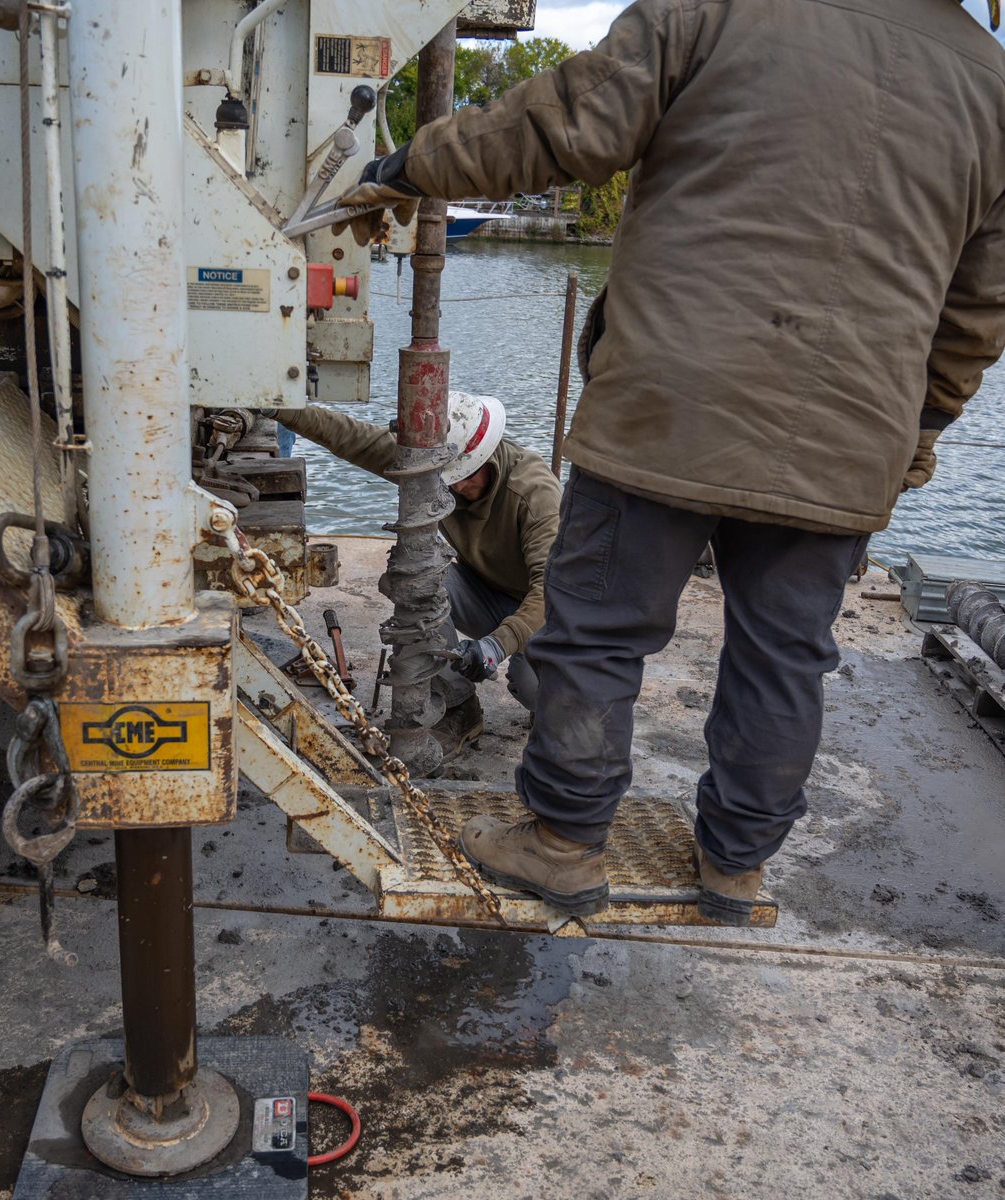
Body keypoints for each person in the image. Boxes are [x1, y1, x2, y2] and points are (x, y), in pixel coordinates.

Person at [335, 0, 1005, 923]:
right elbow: (975, 314)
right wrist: (914, 434)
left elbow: (563, 121)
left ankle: (564, 843)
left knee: (597, 633)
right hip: (851, 433)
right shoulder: (990, 83)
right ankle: (734, 868)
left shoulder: (719, 8)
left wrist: (407, 165)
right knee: (783, 659)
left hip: (669, 404)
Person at [275, 393, 561, 758]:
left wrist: (498, 644)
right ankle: (460, 707)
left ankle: (560, 703)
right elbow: (353, 438)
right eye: (448, 478)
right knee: (422, 579)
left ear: (488, 455)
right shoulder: (436, 470)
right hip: (490, 594)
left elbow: (551, 592)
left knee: (533, 687)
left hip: (553, 611)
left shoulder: (535, 494)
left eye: (466, 476)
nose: (456, 488)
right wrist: (278, 407)